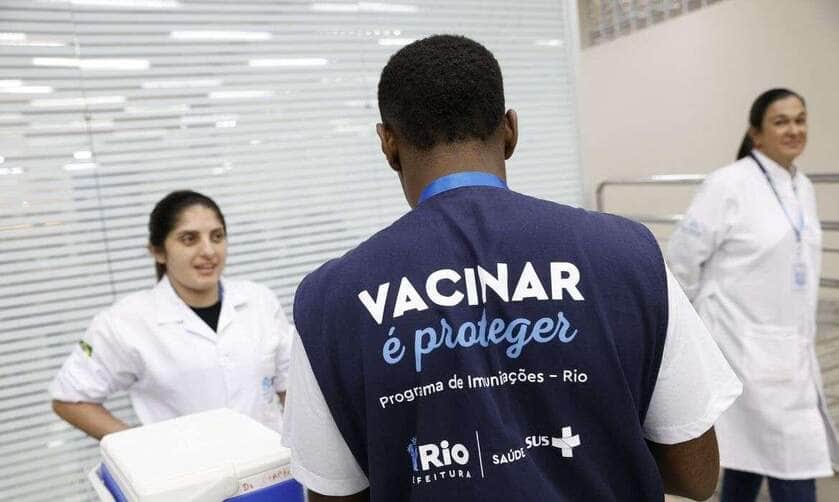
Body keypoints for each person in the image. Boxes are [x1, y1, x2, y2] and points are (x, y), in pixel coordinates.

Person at [282, 34, 742, 501]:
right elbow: (695, 476)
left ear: (388, 143)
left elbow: (333, 493)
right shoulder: (626, 255)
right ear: (510, 131)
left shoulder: (331, 300)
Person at [667, 88, 838, 502]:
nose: (794, 129)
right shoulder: (728, 185)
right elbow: (682, 262)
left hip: (790, 349)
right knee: (790, 466)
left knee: (747, 460)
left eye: (800, 119)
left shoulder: (802, 186)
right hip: (741, 345)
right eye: (781, 121)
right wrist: (695, 339)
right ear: (756, 133)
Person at [50, 190, 293, 439]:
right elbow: (70, 399)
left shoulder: (259, 300)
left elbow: (291, 386)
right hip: (188, 473)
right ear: (158, 252)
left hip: (270, 462)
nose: (209, 250)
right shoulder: (125, 321)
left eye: (217, 236)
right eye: (189, 239)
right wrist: (141, 447)